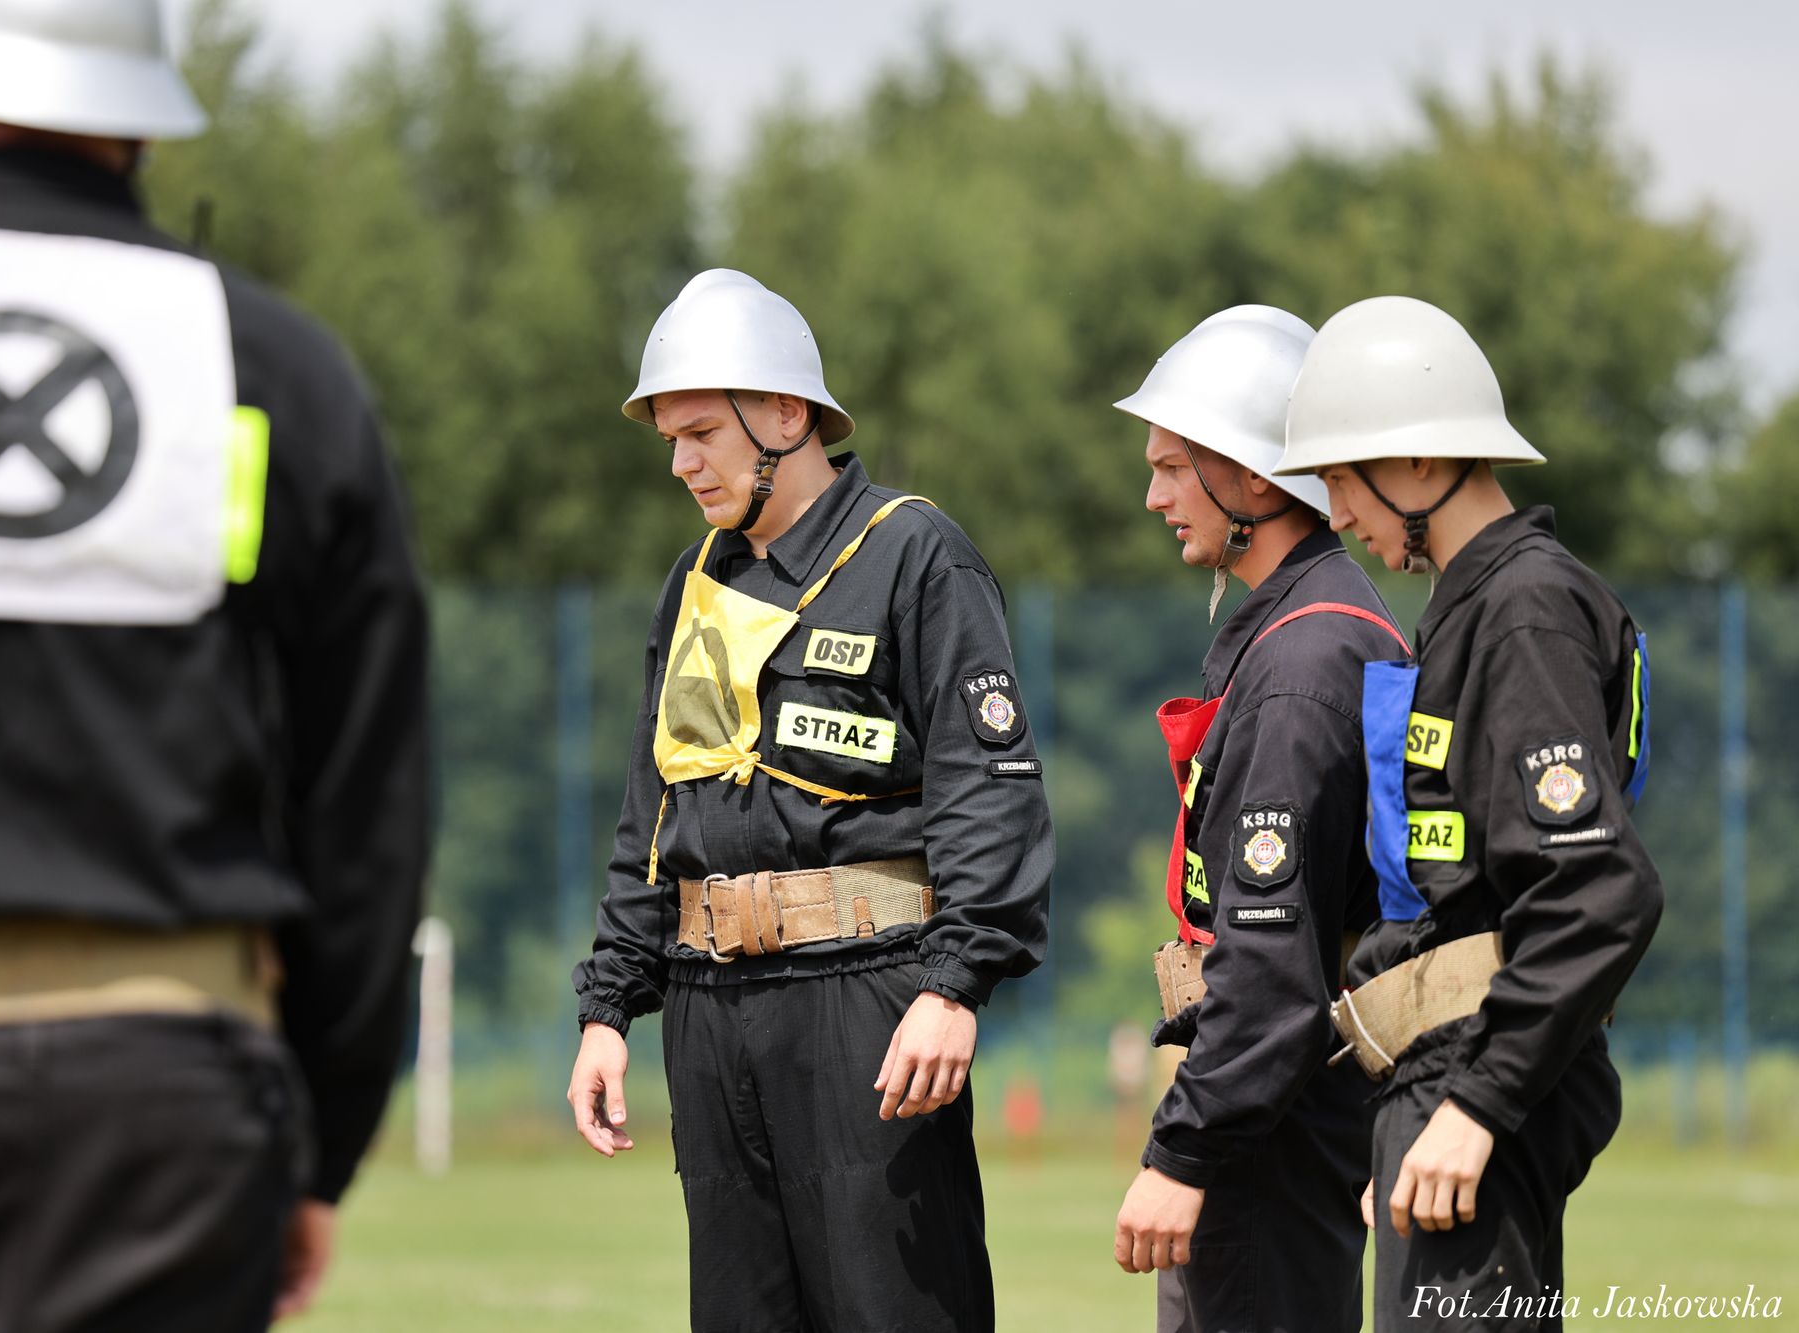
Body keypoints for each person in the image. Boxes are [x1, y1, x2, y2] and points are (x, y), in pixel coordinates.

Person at [0, 3, 430, 1328]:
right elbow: (367, 807)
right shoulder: (279, 369)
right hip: (171, 1112)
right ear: (140, 119)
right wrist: (321, 1140)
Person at [567, 268, 1053, 1332]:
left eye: (702, 433)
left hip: (867, 1002)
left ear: (786, 417)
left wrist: (954, 984)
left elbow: (988, 788)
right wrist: (608, 1006)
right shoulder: (696, 580)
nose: (681, 462)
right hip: (707, 1011)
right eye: (671, 440)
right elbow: (654, 811)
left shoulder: (913, 552)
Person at [1274, 295, 1663, 1332]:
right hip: (1444, 1074)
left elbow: (1599, 891)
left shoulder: (1523, 611)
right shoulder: (1474, 608)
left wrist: (1474, 1105)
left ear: (1415, 461)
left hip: (1479, 1074)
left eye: (1339, 478)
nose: (1334, 514)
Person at [1108, 306, 1407, 1331]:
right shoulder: (1308, 624)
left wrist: (1182, 1151)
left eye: (1172, 466)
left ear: (1252, 477)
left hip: (1267, 1129)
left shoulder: (1300, 665)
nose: (1153, 495)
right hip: (1271, 1108)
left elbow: (1274, 966)